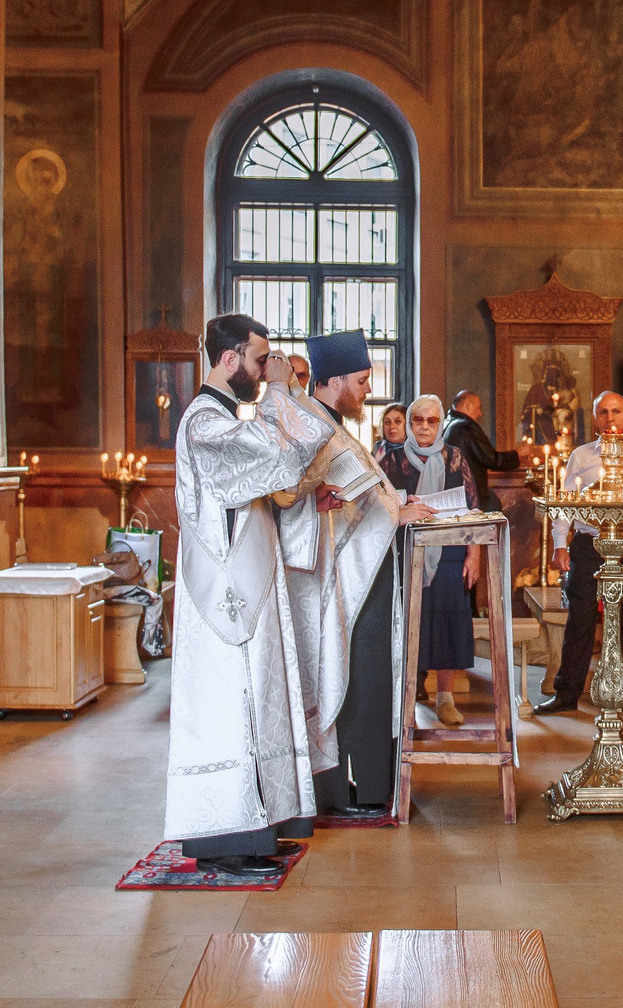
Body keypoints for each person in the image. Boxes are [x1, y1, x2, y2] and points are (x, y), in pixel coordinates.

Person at [163, 313, 337, 880]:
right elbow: (273, 449)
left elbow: (276, 470)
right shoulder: (203, 422)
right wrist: (281, 393)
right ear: (229, 357)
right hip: (224, 594)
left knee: (258, 702)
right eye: (260, 360)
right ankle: (226, 840)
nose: (265, 371)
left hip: (246, 584)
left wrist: (303, 490)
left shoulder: (222, 417)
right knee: (232, 707)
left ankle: (258, 828)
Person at [281, 329, 432, 822]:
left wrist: (398, 503)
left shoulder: (333, 425)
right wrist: (396, 513)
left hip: (364, 573)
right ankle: (354, 789)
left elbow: (361, 492)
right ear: (335, 380)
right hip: (341, 581)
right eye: (362, 381)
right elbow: (314, 501)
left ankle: (367, 783)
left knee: (368, 675)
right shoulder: (315, 427)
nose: (369, 390)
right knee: (356, 676)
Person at [538, 391, 623, 717]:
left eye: (616, 411)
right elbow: (565, 504)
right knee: (579, 619)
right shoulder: (581, 456)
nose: (610, 418)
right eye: (604, 412)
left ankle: (615, 690)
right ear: (595, 419)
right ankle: (567, 693)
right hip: (588, 544)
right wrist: (560, 544)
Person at [383, 394, 481, 727]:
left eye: (432, 420)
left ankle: (445, 698)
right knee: (410, 623)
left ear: (440, 424)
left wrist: (475, 554)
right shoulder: (391, 458)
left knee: (448, 622)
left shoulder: (455, 457)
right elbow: (378, 505)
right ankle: (407, 699)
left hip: (450, 552)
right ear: (410, 423)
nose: (425, 426)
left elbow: (473, 507)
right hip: (406, 551)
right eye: (418, 419)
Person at [437, 389, 516, 513]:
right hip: (469, 496)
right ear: (468, 406)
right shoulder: (466, 426)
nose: (480, 413)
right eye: (478, 408)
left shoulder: (446, 424)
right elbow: (491, 458)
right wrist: (517, 455)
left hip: (452, 496)